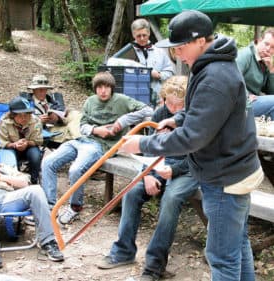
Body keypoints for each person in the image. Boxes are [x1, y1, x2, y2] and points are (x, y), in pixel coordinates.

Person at [119, 10, 263, 281]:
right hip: (234, 169)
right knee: (237, 246)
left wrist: (144, 143)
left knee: (222, 258)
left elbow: (193, 137)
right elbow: (204, 112)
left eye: (181, 47)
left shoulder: (215, 76)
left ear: (199, 41)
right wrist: (176, 119)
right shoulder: (213, 64)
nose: (177, 54)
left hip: (225, 178)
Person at [97, 76, 199, 281]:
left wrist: (173, 171)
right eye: (169, 103)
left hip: (190, 169)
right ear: (163, 99)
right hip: (160, 164)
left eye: (179, 106)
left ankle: (154, 266)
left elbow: (198, 157)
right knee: (132, 193)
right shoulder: (161, 113)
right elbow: (151, 148)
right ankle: (123, 251)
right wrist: (147, 175)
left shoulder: (196, 118)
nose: (173, 109)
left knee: (170, 200)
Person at [41, 71, 153, 221]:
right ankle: (49, 207)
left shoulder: (122, 100)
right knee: (48, 162)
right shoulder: (90, 101)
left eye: (106, 87)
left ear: (112, 88)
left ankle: (75, 207)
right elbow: (82, 125)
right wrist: (95, 130)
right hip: (81, 140)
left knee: (75, 170)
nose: (103, 91)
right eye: (99, 87)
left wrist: (123, 120)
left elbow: (148, 110)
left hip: (101, 145)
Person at [0, 138, 64, 269]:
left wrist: (3, 177)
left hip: (6, 199)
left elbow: (24, 182)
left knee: (36, 189)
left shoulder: (4, 167)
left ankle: (48, 242)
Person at [21, 74, 81, 148]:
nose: (43, 92)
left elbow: (62, 113)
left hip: (58, 126)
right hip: (43, 131)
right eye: (40, 89)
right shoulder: (25, 104)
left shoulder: (52, 101)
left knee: (75, 114)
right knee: (71, 131)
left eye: (45, 89)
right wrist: (38, 120)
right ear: (34, 90)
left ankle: (81, 137)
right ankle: (81, 139)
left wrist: (57, 117)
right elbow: (21, 124)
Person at [0, 96, 43, 184]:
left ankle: (33, 180)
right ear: (12, 115)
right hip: (11, 147)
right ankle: (14, 181)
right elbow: (3, 142)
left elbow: (38, 140)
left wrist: (27, 143)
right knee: (11, 158)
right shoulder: (3, 122)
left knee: (36, 157)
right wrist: (15, 144)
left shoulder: (36, 121)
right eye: (20, 115)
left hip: (30, 146)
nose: (24, 118)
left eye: (26, 115)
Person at [130, 18, 175, 106]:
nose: (142, 38)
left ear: (149, 33)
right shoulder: (128, 53)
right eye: (138, 36)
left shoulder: (160, 52)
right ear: (133, 35)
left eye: (144, 35)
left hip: (157, 101)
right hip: (133, 101)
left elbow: (171, 74)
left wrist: (158, 75)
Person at [236, 28, 274, 120]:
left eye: (273, 47)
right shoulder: (246, 54)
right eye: (266, 44)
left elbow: (271, 92)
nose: (268, 49)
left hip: (254, 102)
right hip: (240, 103)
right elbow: (232, 77)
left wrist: (271, 70)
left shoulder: (265, 61)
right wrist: (246, 95)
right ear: (259, 41)